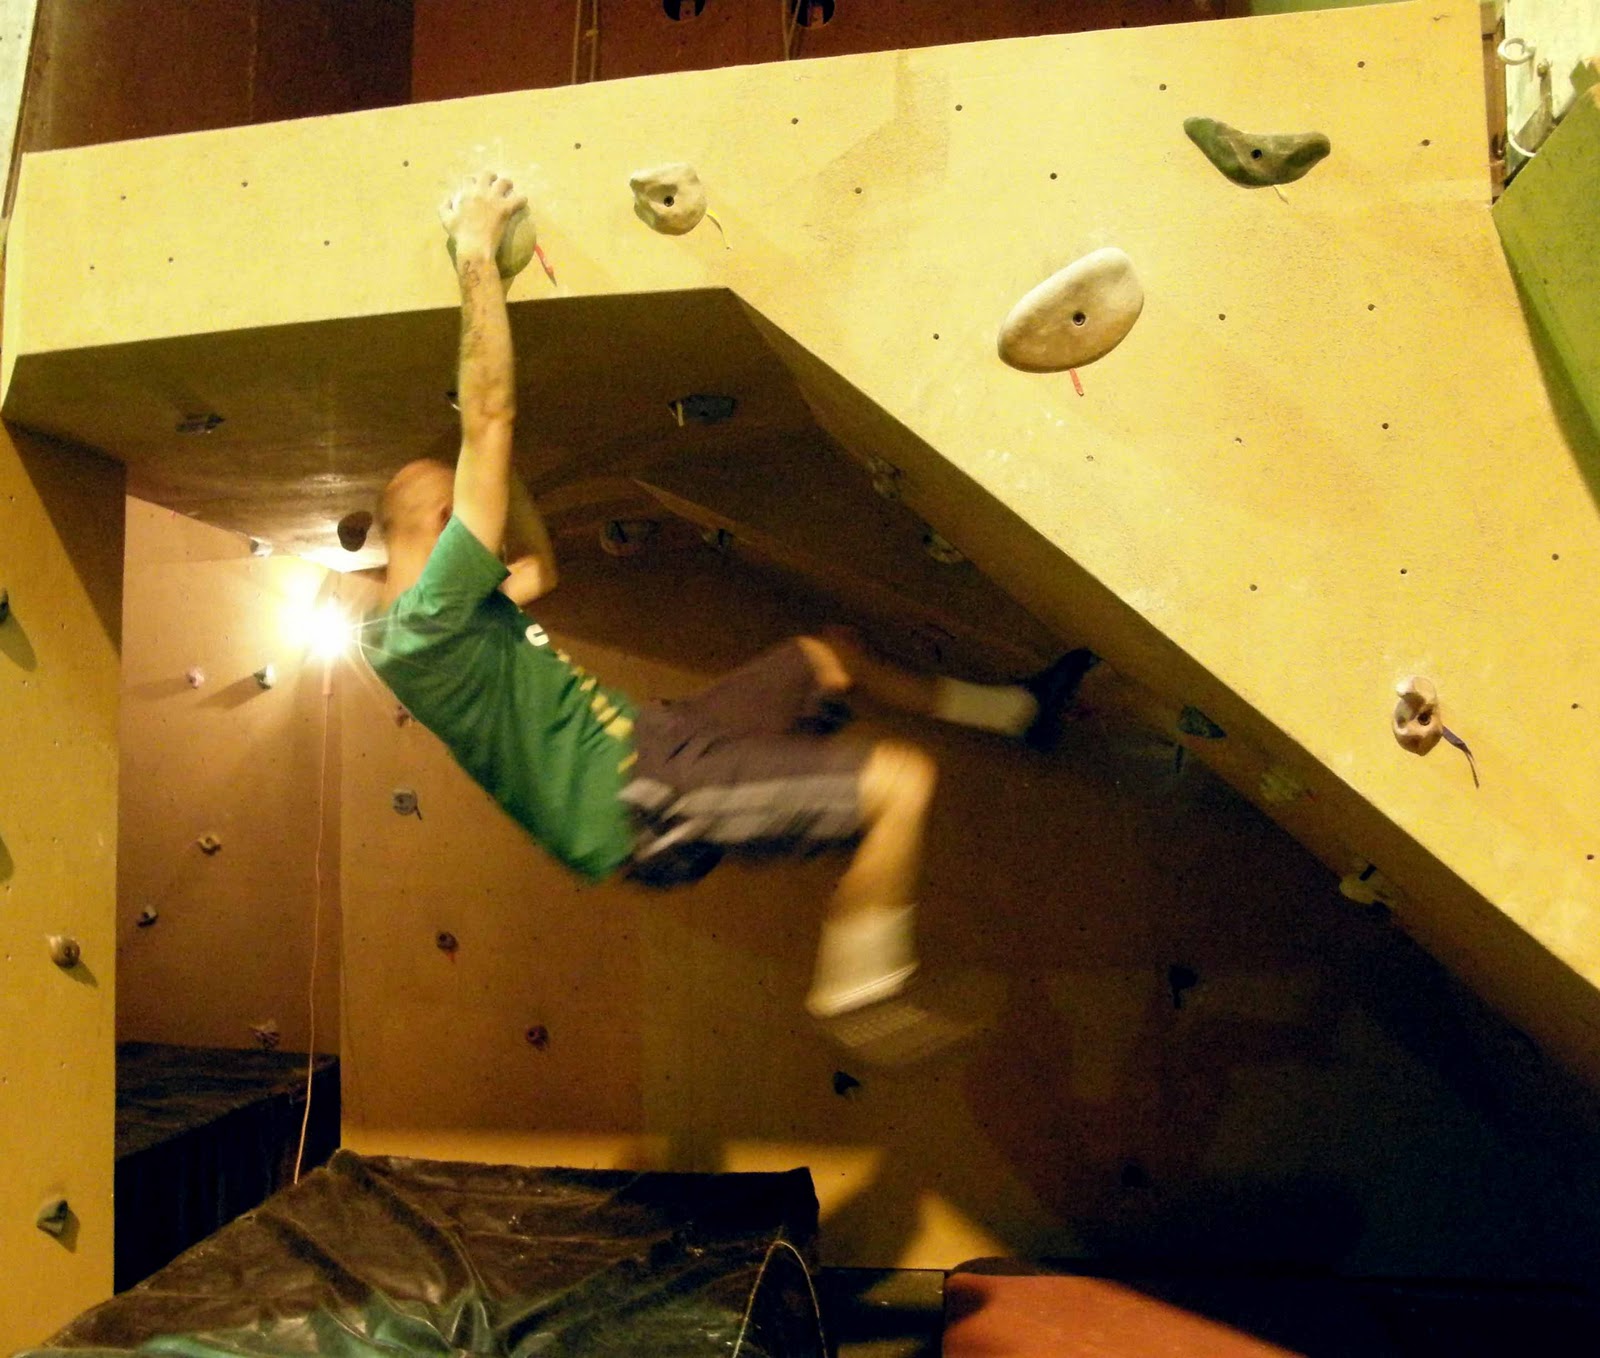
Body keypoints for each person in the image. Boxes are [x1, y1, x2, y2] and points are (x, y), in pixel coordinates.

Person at [360, 172, 1095, 1029]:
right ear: (440, 521)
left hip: (660, 738)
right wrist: (479, 255)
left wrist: (504, 470)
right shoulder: (433, 612)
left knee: (831, 655)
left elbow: (539, 569)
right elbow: (489, 414)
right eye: (454, 497)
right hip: (639, 800)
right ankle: (861, 987)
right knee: (900, 784)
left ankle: (1016, 713)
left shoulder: (413, 628)